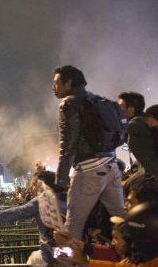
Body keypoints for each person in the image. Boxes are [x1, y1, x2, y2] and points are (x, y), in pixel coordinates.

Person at [52, 65, 126, 240]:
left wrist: (60, 181)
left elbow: (68, 144)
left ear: (68, 83)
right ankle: (141, 258)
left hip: (88, 171)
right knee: (122, 221)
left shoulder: (69, 104)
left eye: (56, 83)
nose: (53, 87)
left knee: (72, 229)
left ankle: (69, 266)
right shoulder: (100, 101)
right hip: (112, 167)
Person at [117, 91, 158, 184]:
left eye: (120, 106)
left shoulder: (135, 124)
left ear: (131, 110)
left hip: (153, 178)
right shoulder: (143, 121)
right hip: (153, 175)